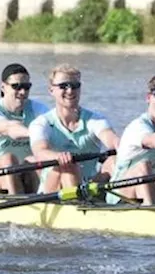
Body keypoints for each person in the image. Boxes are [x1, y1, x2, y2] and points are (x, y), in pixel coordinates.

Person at [29, 64, 119, 192]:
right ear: (51, 90)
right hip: (53, 189)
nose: (70, 91)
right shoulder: (42, 123)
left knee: (114, 161)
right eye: (63, 86)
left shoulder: (95, 120)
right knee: (68, 167)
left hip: (88, 185)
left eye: (74, 86)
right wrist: (58, 156)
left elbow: (111, 139)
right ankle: (77, 204)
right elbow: (40, 152)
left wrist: (121, 145)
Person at [0, 63, 50, 194]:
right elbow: (10, 128)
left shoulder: (38, 109)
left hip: (23, 177)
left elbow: (55, 125)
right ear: (3, 87)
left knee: (35, 160)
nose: (22, 92)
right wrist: (37, 134)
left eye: (26, 87)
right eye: (16, 86)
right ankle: (17, 201)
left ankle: (42, 199)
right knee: (8, 159)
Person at [110, 74, 155, 205]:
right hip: (121, 194)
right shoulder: (138, 126)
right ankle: (151, 212)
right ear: (148, 98)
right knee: (143, 166)